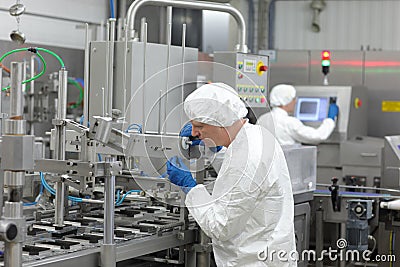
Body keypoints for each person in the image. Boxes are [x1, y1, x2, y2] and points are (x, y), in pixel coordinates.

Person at [167, 83, 297, 266]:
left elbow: (221, 226)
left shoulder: (246, 159)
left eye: (200, 126)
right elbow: (235, 174)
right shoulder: (256, 136)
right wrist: (213, 150)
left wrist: (190, 187)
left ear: (220, 122)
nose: (195, 132)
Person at [257, 84, 338, 146]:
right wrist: (330, 119)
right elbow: (318, 136)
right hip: (287, 164)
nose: (295, 102)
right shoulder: (289, 122)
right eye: (293, 99)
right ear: (285, 102)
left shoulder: (262, 119)